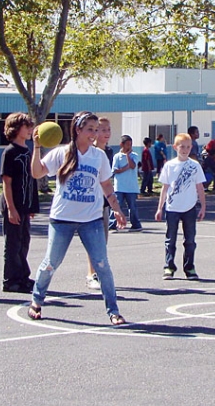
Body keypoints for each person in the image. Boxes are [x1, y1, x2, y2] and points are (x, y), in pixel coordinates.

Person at [29, 111, 127, 325]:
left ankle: (113, 310)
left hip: (90, 220)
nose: (94, 134)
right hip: (62, 218)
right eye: (90, 129)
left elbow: (107, 186)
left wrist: (117, 209)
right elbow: (37, 173)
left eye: (96, 130)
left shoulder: (99, 156)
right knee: (51, 263)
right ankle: (37, 300)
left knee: (102, 265)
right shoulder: (61, 153)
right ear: (78, 129)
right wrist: (36, 147)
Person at [156, 132, 207, 280]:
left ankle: (189, 267)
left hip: (189, 208)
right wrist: (160, 208)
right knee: (170, 239)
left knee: (190, 240)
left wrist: (203, 206)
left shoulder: (195, 166)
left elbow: (200, 188)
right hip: (172, 208)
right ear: (175, 147)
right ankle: (169, 266)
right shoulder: (169, 166)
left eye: (188, 147)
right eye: (182, 147)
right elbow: (165, 188)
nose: (185, 150)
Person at [0, 113, 40, 294]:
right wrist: (11, 208)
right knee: (13, 244)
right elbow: (6, 182)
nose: (30, 130)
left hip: (25, 204)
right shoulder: (10, 152)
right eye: (27, 126)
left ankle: (23, 276)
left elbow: (31, 179)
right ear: (16, 129)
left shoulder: (27, 150)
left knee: (24, 242)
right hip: (13, 205)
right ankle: (10, 280)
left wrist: (32, 206)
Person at [86, 117, 115, 290]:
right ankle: (92, 274)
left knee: (102, 241)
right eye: (102, 130)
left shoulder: (108, 152)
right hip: (90, 202)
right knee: (94, 241)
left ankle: (98, 272)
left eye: (108, 130)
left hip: (104, 202)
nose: (106, 133)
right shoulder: (90, 152)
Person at [111, 135, 143, 232]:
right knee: (116, 205)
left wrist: (128, 156)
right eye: (127, 144)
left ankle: (136, 224)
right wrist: (124, 168)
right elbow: (115, 170)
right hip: (119, 186)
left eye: (131, 144)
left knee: (132, 206)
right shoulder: (117, 156)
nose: (129, 146)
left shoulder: (134, 155)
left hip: (131, 187)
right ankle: (112, 223)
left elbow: (133, 166)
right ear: (122, 144)